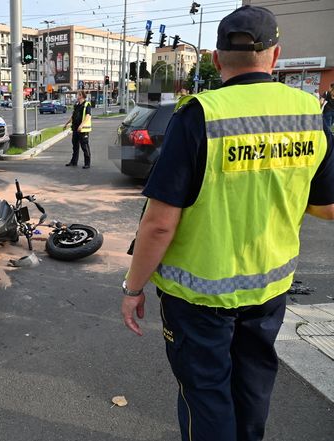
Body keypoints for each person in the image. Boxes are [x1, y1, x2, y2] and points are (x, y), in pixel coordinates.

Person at [120, 6, 334, 441]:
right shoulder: (311, 111)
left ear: (217, 60)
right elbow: (327, 206)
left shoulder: (199, 113)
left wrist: (133, 288)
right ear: (275, 56)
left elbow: (160, 223)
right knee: (252, 387)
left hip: (198, 297)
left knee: (206, 394)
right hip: (268, 290)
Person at [63, 90, 92, 169]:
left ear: (82, 96)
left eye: (78, 95)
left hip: (83, 130)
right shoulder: (76, 105)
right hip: (75, 128)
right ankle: (73, 162)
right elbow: (73, 116)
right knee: (75, 146)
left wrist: (81, 125)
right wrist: (67, 123)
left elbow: (88, 116)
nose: (76, 96)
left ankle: (87, 163)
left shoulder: (87, 104)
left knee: (84, 146)